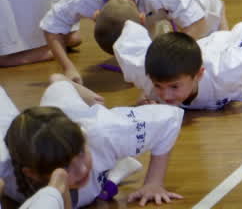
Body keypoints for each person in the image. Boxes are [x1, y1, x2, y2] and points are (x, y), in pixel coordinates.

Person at [40, 0, 224, 84]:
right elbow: (50, 27)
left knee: (204, 30)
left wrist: (172, 55)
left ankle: (219, 8)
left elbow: (198, 22)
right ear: (95, 14)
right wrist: (68, 68)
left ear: (143, 18)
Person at [1, 79, 183, 206]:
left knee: (59, 89)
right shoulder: (6, 167)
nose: (81, 170)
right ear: (31, 173)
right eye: (65, 167)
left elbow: (168, 121)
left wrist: (154, 183)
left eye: (81, 153)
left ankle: (61, 81)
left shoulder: (102, 132)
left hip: (74, 115)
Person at [113, 10, 242, 110]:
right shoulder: (146, 73)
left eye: (173, 87)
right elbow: (129, 35)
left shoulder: (231, 69)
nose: (166, 95)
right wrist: (147, 94)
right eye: (159, 86)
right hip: (199, 50)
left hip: (225, 48)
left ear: (199, 75)